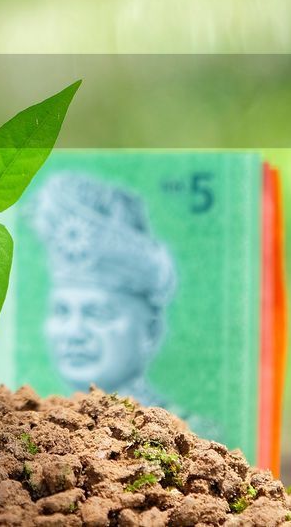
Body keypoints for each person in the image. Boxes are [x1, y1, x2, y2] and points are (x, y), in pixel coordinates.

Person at [32, 173, 177, 409]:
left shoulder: (193, 438)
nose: (74, 333)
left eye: (97, 313)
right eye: (61, 311)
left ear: (151, 330)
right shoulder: (36, 429)